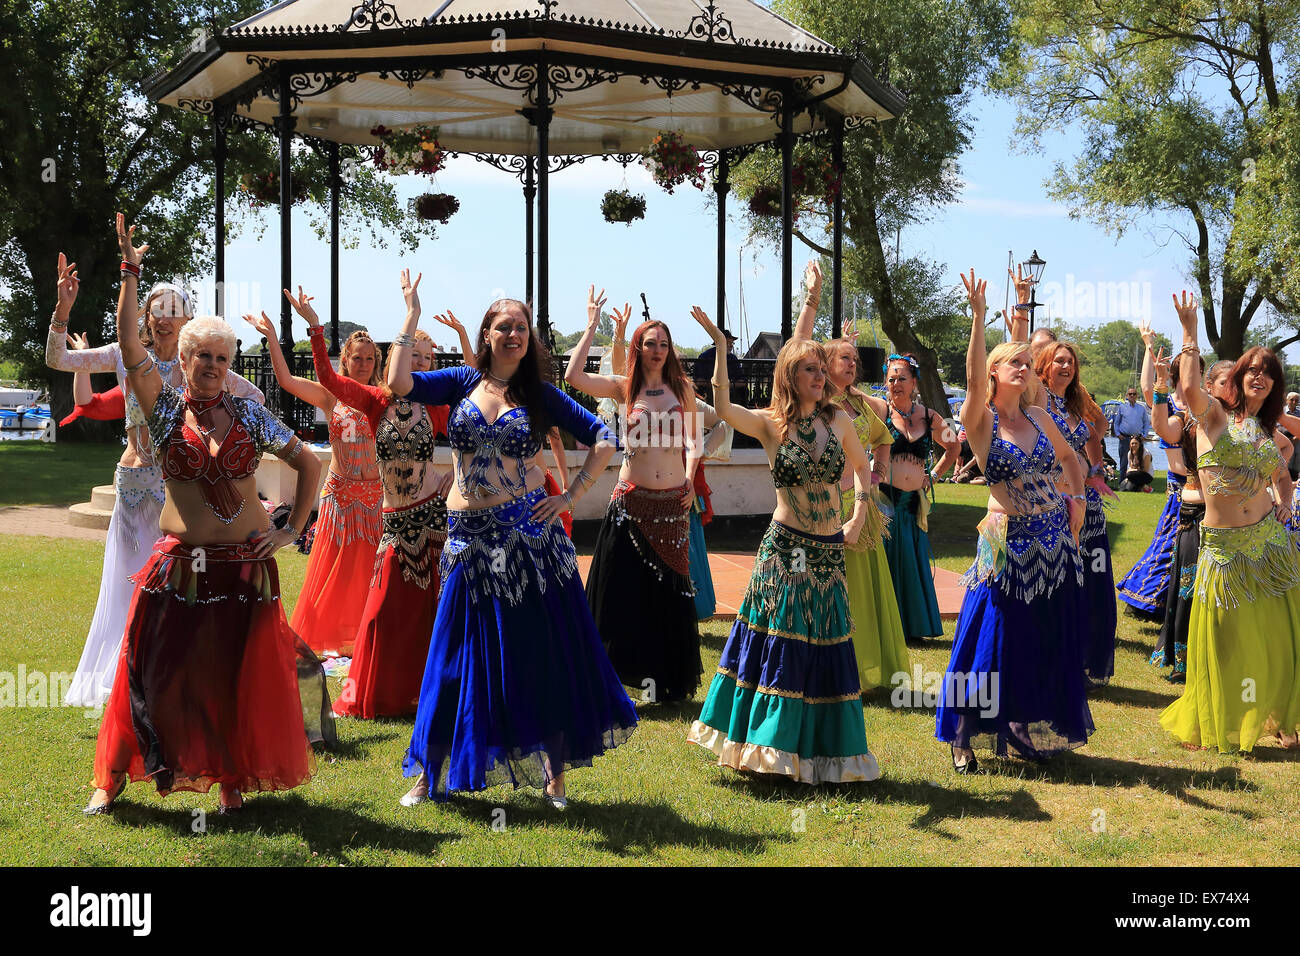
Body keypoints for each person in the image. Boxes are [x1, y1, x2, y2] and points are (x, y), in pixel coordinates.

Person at [86, 214, 330, 814]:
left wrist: (291, 530)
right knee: (151, 666)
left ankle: (230, 783)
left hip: (245, 567)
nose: (214, 366)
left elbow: (311, 465)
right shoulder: (166, 410)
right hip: (181, 566)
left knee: (232, 675)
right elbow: (131, 343)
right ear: (186, 358)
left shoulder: (250, 414)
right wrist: (129, 272)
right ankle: (112, 777)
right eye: (203, 357)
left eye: (223, 357)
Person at [390, 285, 636, 808]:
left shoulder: (539, 394)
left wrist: (570, 496)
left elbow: (604, 438)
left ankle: (556, 776)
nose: (513, 334)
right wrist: (410, 318)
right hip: (467, 541)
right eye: (504, 326)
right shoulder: (460, 381)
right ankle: (428, 776)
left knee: (537, 655)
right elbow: (399, 384)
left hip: (528, 537)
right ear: (486, 334)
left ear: (529, 339)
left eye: (521, 328)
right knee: (451, 657)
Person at [45, 254, 264, 709]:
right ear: (144, 317)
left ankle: (170, 671)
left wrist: (221, 448)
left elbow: (255, 398)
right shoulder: (128, 359)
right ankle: (124, 675)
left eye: (172, 311)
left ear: (186, 320)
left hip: (176, 494)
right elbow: (59, 358)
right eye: (154, 310)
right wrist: (63, 310)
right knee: (128, 582)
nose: (162, 319)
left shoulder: (199, 368)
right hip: (132, 483)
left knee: (173, 582)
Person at [687, 305, 880, 784]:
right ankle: (770, 750)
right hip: (785, 549)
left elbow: (864, 470)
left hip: (829, 549)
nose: (820, 375)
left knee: (825, 644)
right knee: (782, 644)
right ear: (790, 377)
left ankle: (819, 751)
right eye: (809, 369)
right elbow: (726, 409)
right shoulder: (772, 423)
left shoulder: (840, 421)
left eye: (821, 368)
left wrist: (858, 516)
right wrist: (723, 350)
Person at [937, 271, 1091, 772]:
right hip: (1007, 543)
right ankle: (963, 735)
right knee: (988, 639)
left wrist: (1077, 498)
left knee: (1043, 639)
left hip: (1054, 541)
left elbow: (1071, 460)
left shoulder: (1042, 418)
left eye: (1028, 363)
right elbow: (975, 378)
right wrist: (982, 320)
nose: (1025, 369)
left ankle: (1024, 726)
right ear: (997, 374)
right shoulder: (981, 422)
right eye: (1015, 364)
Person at [279, 284, 454, 719]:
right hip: (390, 519)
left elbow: (474, 416)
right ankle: (372, 687)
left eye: (421, 359)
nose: (412, 365)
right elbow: (326, 379)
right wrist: (316, 330)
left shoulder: (435, 405)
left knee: (429, 608)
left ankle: (432, 688)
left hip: (430, 517)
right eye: (405, 356)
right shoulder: (375, 401)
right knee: (380, 608)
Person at [1160, 291, 1300, 753]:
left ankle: (1283, 720)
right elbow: (1190, 391)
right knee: (1221, 637)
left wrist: (1285, 501)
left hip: (1270, 546)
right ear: (1238, 377)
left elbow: (1282, 476)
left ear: (1275, 384)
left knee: (1280, 635)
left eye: (1268, 372)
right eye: (1252, 370)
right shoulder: (1217, 417)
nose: (1260, 377)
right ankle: (1209, 719)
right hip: (1223, 547)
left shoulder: (1269, 433)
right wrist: (1188, 332)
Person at [565, 288, 703, 704]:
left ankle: (665, 681)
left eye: (664, 344)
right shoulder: (625, 388)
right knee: (621, 590)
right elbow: (573, 377)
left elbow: (695, 443)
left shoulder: (684, 390)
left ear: (670, 349)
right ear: (638, 349)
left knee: (670, 593)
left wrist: (692, 480)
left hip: (673, 503)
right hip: (630, 502)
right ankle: (612, 677)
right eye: (650, 344)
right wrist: (592, 325)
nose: (658, 350)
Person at [791, 260, 910, 691]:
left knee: (861, 589)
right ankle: (820, 670)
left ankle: (862, 668)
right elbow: (795, 348)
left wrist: (874, 473)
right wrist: (812, 299)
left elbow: (884, 440)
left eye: (856, 360)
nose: (853, 365)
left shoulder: (863, 406)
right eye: (846, 357)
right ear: (824, 360)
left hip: (860, 510)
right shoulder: (814, 406)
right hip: (818, 510)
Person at [250, 313, 385, 657]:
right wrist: (270, 336)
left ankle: (368, 638)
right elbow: (285, 380)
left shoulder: (383, 398)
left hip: (374, 497)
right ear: (345, 361)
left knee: (372, 572)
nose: (363, 364)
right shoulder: (330, 395)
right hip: (340, 495)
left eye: (370, 359)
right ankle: (328, 639)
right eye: (357, 358)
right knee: (334, 574)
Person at [1033, 340, 1116, 686]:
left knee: (1089, 585)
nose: (1065, 367)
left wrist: (1095, 465)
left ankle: (1084, 662)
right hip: (1048, 505)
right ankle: (1048, 663)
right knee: (1051, 585)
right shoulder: (1034, 397)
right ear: (1045, 365)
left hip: (1085, 504)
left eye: (1071, 363)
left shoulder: (1077, 401)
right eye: (1058, 361)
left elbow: (1100, 428)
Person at [1151, 357, 1228, 680]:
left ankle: (1219, 659)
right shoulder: (1187, 419)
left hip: (1227, 519)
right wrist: (1159, 385)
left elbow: (1281, 447)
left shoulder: (1241, 422)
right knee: (1188, 587)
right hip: (1192, 513)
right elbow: (1160, 428)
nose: (1231, 388)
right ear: (1208, 386)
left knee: (1220, 589)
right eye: (1224, 382)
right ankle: (1183, 662)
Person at [1118, 322, 1197, 621]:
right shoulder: (1167, 404)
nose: (1194, 374)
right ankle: (1147, 600)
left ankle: (1176, 607)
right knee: (1169, 545)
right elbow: (1148, 388)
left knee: (1182, 547)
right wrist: (1148, 346)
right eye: (1190, 369)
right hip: (1180, 486)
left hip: (1200, 487)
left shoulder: (1203, 405)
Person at [879, 352, 959, 642]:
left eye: (902, 378)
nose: (896, 383)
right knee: (887, 560)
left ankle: (914, 626)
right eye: (891, 379)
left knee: (912, 561)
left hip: (913, 502)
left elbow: (954, 449)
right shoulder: (881, 413)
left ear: (914, 382)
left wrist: (934, 475)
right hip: (885, 500)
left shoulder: (930, 416)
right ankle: (887, 624)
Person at [693, 328, 745, 406]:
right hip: (709, 390)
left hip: (730, 389)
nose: (731, 345)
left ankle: (738, 416)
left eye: (732, 343)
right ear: (719, 343)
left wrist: (728, 385)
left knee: (740, 392)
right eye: (728, 342)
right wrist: (717, 386)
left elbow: (742, 380)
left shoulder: (733, 358)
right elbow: (699, 380)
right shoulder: (705, 356)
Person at [1109, 386, 1151, 477]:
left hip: (1137, 439)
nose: (1132, 395)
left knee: (1138, 462)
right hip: (1124, 438)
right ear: (1127, 395)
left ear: (1137, 396)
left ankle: (1138, 483)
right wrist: (1118, 434)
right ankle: (1122, 483)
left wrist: (1144, 435)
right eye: (1130, 394)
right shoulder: (1122, 407)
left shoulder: (1141, 408)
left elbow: (1146, 423)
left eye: (1134, 394)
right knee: (1123, 462)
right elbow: (1116, 423)